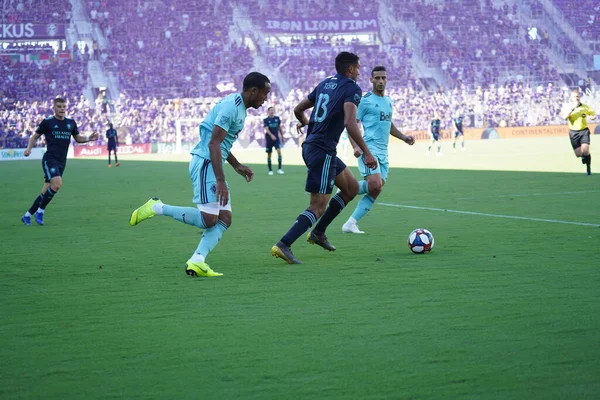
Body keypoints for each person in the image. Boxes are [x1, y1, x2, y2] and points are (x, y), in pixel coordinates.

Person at [129, 72, 271, 277]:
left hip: (213, 163)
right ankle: (156, 207)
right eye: (264, 94)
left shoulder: (240, 108)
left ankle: (197, 260)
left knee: (225, 218)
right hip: (206, 163)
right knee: (209, 220)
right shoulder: (231, 107)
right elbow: (213, 143)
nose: (265, 99)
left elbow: (221, 142)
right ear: (253, 91)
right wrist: (221, 180)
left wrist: (236, 165)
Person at [271, 52, 377, 264]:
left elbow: (298, 109)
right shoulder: (352, 88)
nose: (359, 71)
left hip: (315, 147)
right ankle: (284, 244)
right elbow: (349, 122)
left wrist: (306, 123)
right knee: (317, 206)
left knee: (352, 188)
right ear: (350, 69)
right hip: (322, 151)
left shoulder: (325, 83)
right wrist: (367, 151)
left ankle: (318, 232)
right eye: (358, 67)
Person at [342, 66, 415, 234]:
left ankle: (351, 223)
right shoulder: (365, 101)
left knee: (377, 188)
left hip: (383, 152)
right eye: (377, 78)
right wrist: (355, 146)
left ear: (386, 80)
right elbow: (351, 124)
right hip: (368, 149)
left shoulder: (389, 101)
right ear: (371, 80)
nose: (381, 81)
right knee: (374, 183)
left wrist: (404, 137)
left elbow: (388, 125)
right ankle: (347, 187)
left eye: (383, 78)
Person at [21, 98, 99, 225]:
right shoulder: (48, 122)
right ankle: (40, 211)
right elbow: (34, 136)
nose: (62, 109)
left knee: (45, 191)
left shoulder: (71, 123)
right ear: (54, 108)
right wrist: (28, 149)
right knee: (57, 185)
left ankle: (27, 215)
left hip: (62, 161)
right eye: (59, 106)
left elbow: (78, 138)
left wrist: (88, 138)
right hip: (50, 159)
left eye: (63, 106)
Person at [561, 89, 596, 175]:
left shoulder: (585, 107)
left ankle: (588, 168)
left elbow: (593, 114)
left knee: (585, 150)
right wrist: (572, 108)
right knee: (578, 154)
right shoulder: (568, 107)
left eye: (577, 96)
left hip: (584, 131)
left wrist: (593, 117)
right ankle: (583, 157)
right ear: (571, 98)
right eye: (574, 96)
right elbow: (565, 117)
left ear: (580, 97)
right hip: (573, 133)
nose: (576, 98)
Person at [263, 106, 284, 175]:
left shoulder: (277, 118)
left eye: (273, 110)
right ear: (268, 111)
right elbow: (266, 129)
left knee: (279, 151)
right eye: (270, 110)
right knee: (269, 154)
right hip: (269, 139)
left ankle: (279, 169)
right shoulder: (266, 120)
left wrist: (282, 136)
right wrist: (271, 135)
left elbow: (279, 127)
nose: (272, 111)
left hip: (276, 139)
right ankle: (270, 170)